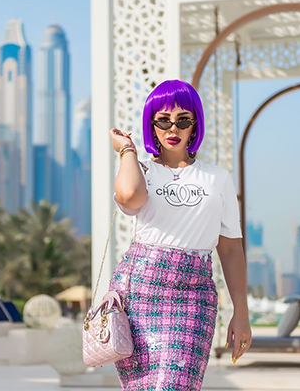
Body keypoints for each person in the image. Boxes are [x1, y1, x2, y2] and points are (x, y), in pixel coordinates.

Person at [109, 79, 252, 390]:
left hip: (194, 295)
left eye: (183, 120)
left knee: (176, 385)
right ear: (152, 125)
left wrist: (241, 312)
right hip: (140, 291)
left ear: (194, 124)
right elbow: (130, 195)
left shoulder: (218, 177)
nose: (173, 129)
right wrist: (128, 150)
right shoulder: (142, 171)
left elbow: (229, 250)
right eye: (163, 120)